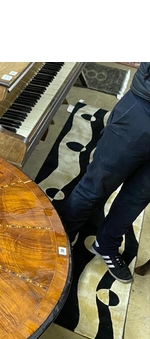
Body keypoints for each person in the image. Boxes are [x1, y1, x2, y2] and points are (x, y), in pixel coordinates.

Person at [61, 62, 150, 283]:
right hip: (143, 110)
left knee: (138, 196)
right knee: (97, 184)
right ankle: (61, 238)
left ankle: (106, 244)